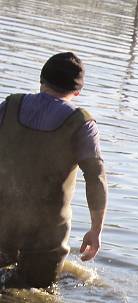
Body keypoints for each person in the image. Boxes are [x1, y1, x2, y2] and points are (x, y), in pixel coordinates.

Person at [0, 52, 107, 289]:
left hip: (3, 220)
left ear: (42, 81)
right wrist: (95, 230)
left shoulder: (9, 107)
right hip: (46, 234)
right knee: (36, 298)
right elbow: (95, 177)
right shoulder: (82, 124)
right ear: (77, 92)